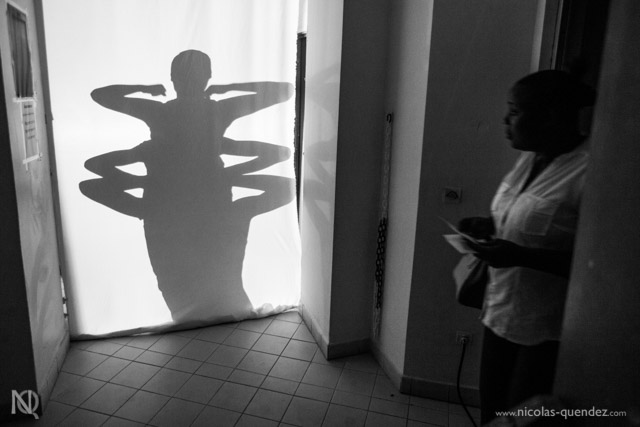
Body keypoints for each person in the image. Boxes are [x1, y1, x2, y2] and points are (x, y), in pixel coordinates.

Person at [80, 50, 295, 322]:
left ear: (172, 78)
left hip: (166, 207)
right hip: (210, 201)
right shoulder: (219, 110)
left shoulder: (158, 112)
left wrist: (144, 89)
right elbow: (283, 91)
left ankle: (191, 319)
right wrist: (228, 89)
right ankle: (220, 316)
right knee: (217, 274)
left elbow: (100, 96)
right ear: (208, 77)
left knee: (177, 281)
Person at [458, 70, 596, 424]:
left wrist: (520, 256)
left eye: (515, 111)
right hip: (499, 313)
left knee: (522, 420)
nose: (505, 120)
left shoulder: (590, 172)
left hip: (545, 330)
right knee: (492, 416)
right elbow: (524, 220)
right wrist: (488, 225)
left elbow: (597, 265)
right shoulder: (529, 159)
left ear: (550, 117)